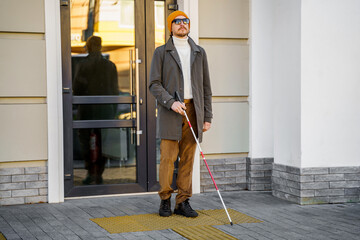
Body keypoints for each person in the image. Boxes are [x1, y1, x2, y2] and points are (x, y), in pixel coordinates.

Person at [149, 11, 213, 217]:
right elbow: (154, 84)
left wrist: (207, 117)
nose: (182, 24)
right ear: (171, 26)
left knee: (188, 158)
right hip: (171, 111)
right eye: (177, 22)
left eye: (185, 21)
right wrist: (171, 102)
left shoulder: (199, 52)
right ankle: (165, 199)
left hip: (194, 110)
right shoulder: (161, 52)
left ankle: (183, 201)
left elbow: (205, 87)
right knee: (168, 158)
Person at [73, 36, 118, 185]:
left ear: (88, 46)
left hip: (86, 109)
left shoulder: (82, 65)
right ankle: (98, 174)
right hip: (106, 110)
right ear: (100, 47)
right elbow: (115, 91)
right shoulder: (110, 66)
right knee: (103, 143)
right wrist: (114, 110)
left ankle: (90, 173)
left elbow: (76, 90)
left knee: (85, 142)